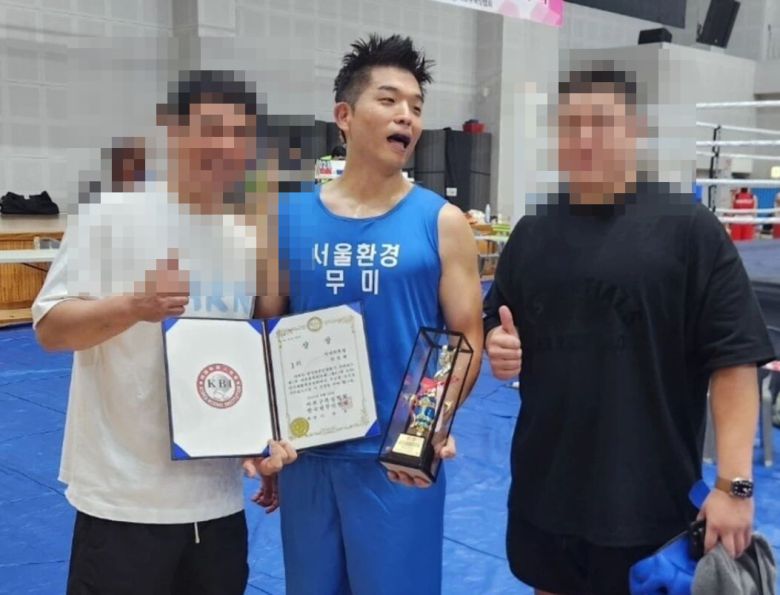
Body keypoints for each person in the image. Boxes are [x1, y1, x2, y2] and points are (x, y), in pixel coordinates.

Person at [483, 67, 776, 595]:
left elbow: (734, 358)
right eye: (572, 125)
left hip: (649, 505)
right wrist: (499, 348)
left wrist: (734, 486)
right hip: (545, 493)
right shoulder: (531, 235)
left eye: (602, 122)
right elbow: (499, 328)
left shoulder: (689, 230)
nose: (587, 138)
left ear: (635, 131)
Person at [33, 70, 296, 595]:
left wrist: (260, 443)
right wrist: (134, 305)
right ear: (172, 131)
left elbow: (245, 355)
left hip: (218, 505)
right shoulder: (109, 216)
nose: (224, 146)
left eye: (238, 135)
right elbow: (49, 328)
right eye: (211, 128)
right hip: (126, 503)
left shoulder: (245, 235)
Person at [264, 34, 484, 595]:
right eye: (388, 100)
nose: (406, 116)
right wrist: (260, 434)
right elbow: (265, 330)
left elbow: (466, 336)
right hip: (308, 456)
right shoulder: (286, 219)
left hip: (398, 462)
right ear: (345, 115)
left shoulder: (443, 223)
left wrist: (434, 423)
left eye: (416, 106)